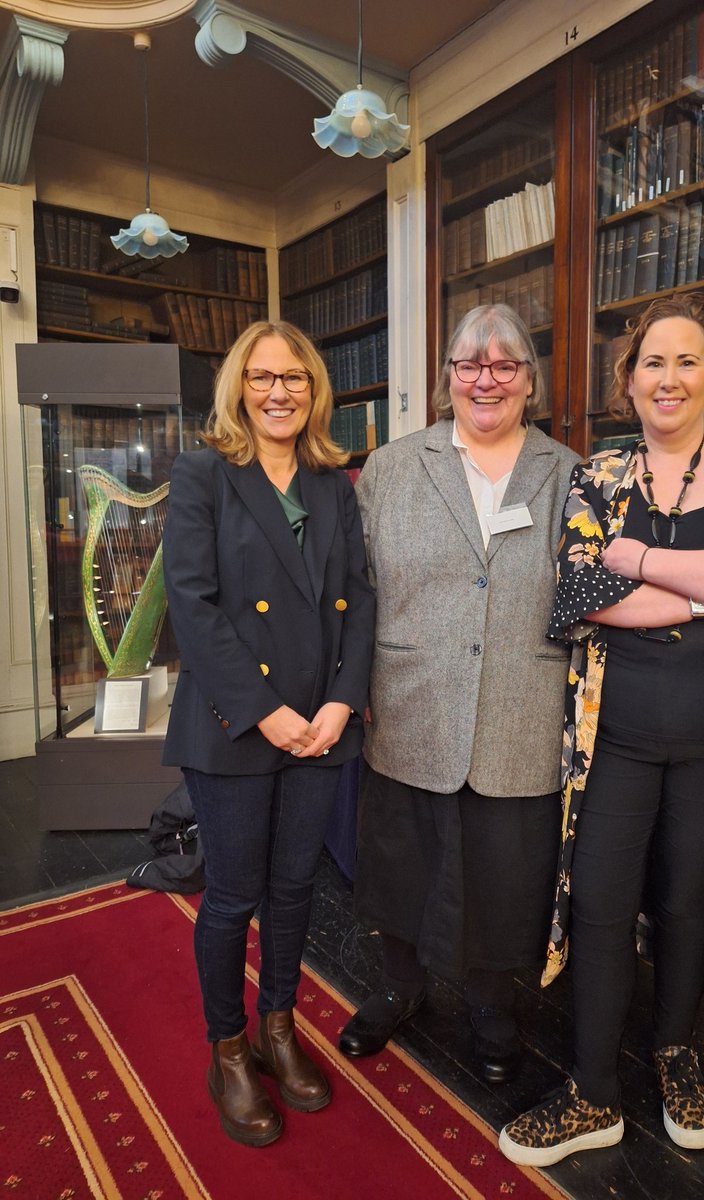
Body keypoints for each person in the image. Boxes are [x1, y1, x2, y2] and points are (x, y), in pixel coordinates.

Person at [499, 292, 704, 1165]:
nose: (666, 378)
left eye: (685, 361)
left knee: (686, 904)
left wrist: (633, 559)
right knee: (600, 904)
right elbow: (576, 596)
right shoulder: (596, 476)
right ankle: (592, 1092)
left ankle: (677, 1054)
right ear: (627, 383)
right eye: (649, 364)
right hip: (616, 740)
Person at [338, 303, 580, 1083]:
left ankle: (488, 1003)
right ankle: (400, 988)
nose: (485, 378)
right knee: (401, 866)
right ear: (446, 377)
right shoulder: (391, 467)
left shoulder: (568, 473)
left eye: (505, 364)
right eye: (468, 363)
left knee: (504, 877)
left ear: (529, 381)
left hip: (520, 708)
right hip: (411, 702)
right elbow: (359, 587)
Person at [162, 320, 374, 1147]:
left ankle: (280, 1029)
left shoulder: (333, 482)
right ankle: (231, 1052)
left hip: (321, 726)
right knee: (233, 896)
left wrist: (340, 702)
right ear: (239, 388)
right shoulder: (202, 474)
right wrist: (267, 711)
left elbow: (358, 599)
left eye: (294, 377)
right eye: (262, 377)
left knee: (295, 892)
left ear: (314, 389)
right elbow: (194, 605)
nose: (279, 391)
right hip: (236, 726)